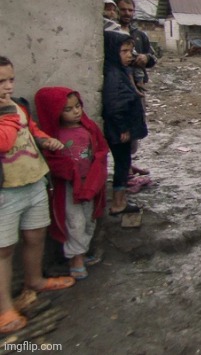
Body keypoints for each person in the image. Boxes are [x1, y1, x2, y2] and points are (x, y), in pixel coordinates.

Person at [0, 56, 75, 335]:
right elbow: (5, 142)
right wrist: (8, 112)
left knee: (35, 235)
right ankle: (4, 308)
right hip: (6, 191)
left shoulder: (18, 106)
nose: (8, 86)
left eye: (11, 79)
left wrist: (45, 140)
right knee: (3, 250)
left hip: (32, 181)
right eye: (1, 82)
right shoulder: (10, 109)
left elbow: (31, 130)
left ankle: (34, 281)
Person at [34, 87, 108, 280]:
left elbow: (100, 150)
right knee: (75, 222)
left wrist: (96, 174)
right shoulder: (53, 137)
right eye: (68, 109)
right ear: (55, 112)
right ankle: (76, 259)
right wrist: (69, 171)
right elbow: (53, 161)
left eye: (77, 106)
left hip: (89, 183)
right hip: (68, 186)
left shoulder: (89, 128)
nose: (76, 112)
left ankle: (81, 252)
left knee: (89, 218)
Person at [102, 31, 147, 216]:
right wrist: (123, 129)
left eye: (131, 51)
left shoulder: (120, 71)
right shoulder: (114, 75)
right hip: (118, 129)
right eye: (124, 51)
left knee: (123, 162)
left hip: (120, 128)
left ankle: (120, 200)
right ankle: (118, 203)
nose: (129, 55)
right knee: (122, 164)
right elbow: (113, 106)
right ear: (113, 52)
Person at [115, 0, 154, 177]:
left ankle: (128, 165)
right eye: (123, 10)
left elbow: (153, 57)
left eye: (130, 10)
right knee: (120, 127)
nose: (127, 13)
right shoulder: (111, 32)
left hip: (137, 87)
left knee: (135, 124)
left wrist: (146, 58)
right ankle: (123, 170)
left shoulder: (139, 35)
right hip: (119, 85)